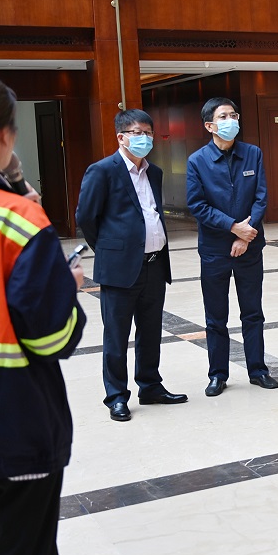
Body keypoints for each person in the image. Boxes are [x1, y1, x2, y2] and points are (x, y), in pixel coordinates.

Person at [0, 70, 86, 555]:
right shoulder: (16, 219)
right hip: (13, 426)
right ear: (5, 136)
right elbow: (51, 336)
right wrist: (66, 287)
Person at [77, 108, 188, 421]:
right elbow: (86, 217)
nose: (144, 138)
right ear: (121, 137)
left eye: (148, 133)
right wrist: (110, 250)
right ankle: (116, 396)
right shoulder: (102, 170)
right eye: (137, 133)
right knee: (116, 334)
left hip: (155, 263)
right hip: (119, 268)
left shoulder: (155, 172)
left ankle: (150, 386)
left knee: (150, 331)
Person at [187, 98, 278, 397]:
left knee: (253, 312)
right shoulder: (197, 161)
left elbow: (261, 197)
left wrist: (245, 235)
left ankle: (258, 369)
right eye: (223, 116)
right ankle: (218, 374)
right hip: (215, 250)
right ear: (209, 126)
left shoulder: (252, 153)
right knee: (216, 316)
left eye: (234, 115)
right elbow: (197, 205)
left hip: (249, 246)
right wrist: (232, 227)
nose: (231, 120)